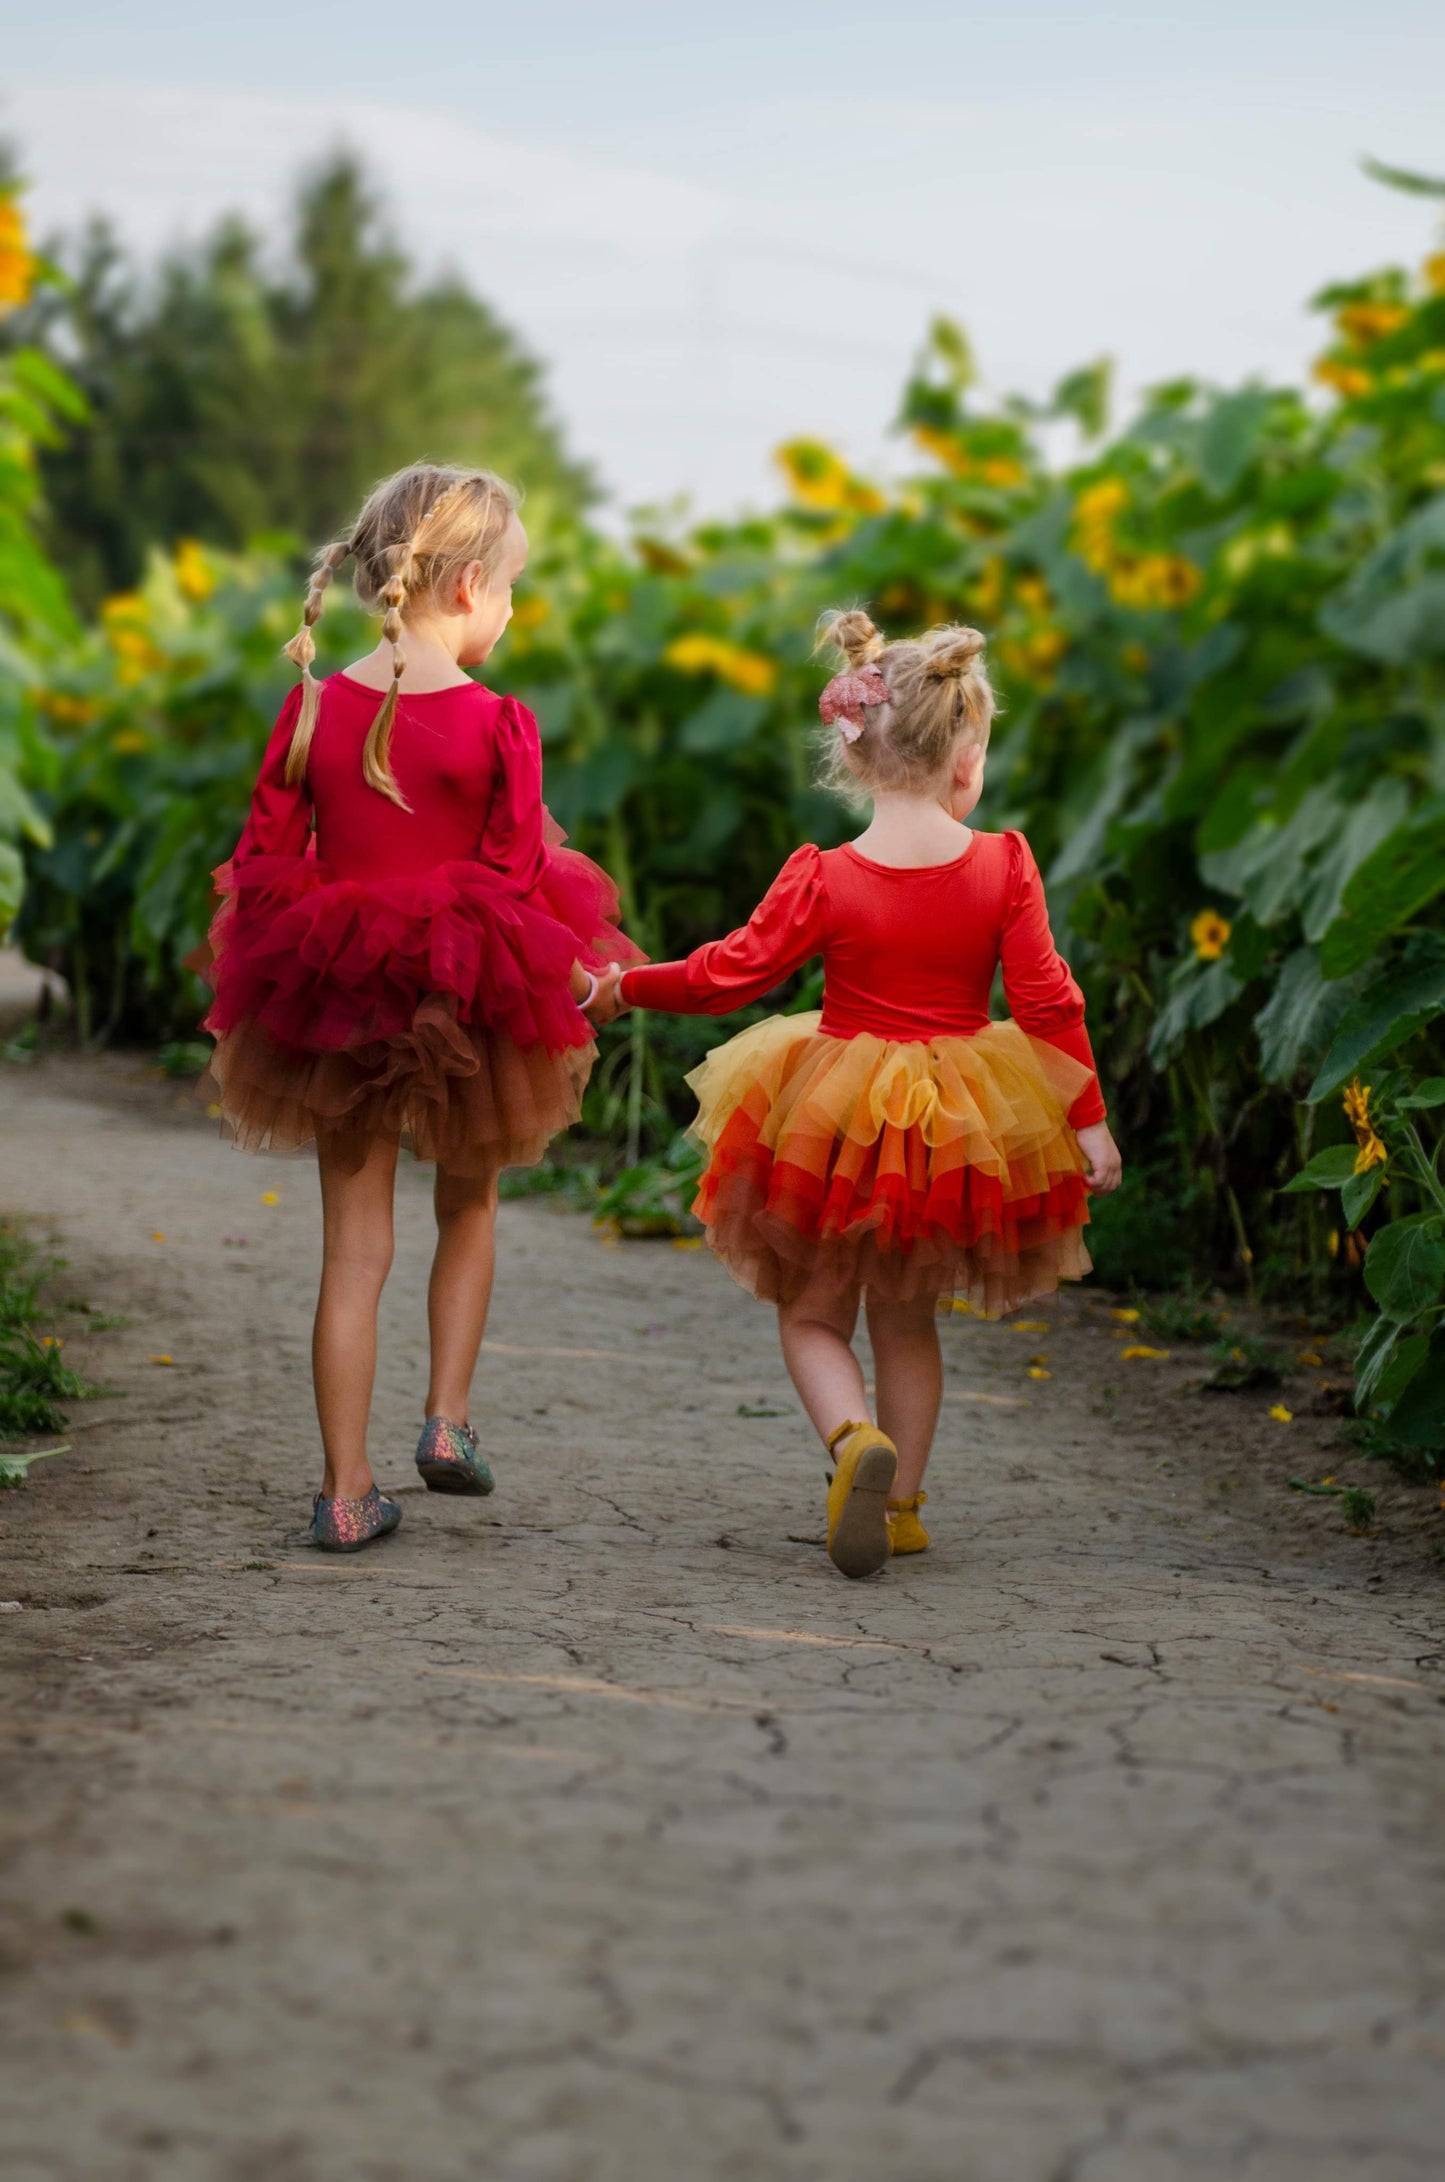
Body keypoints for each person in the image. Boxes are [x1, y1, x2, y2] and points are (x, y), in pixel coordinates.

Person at [618, 610, 1121, 1580]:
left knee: (813, 1314)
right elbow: (1045, 997)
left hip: (835, 1113)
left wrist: (623, 985)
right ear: (963, 758)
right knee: (907, 1319)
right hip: (960, 1117)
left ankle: (851, 1441)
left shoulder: (825, 876)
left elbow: (729, 973)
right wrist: (1085, 1118)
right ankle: (898, 1511)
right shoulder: (1002, 863)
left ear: (851, 754)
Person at [199, 464, 634, 1552]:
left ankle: (345, 1491)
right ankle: (447, 1420)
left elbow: (260, 861)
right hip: (467, 998)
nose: (513, 611)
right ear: (468, 582)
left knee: (353, 1251)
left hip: (335, 997)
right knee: (469, 1206)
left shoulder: (310, 704)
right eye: (511, 590)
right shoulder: (496, 723)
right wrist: (578, 975)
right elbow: (517, 875)